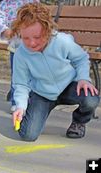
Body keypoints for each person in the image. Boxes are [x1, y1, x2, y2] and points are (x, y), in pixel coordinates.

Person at [11, 3, 100, 141]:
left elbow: (81, 58)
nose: (32, 43)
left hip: (69, 86)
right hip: (42, 93)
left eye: (37, 37)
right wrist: (20, 106)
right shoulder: (21, 54)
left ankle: (79, 121)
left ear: (47, 30)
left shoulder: (62, 41)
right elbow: (21, 84)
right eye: (26, 38)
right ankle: (29, 112)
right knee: (28, 135)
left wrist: (83, 78)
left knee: (91, 98)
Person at [0, 0, 39, 113]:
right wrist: (4, 30)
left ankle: (32, 101)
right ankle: (17, 103)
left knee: (32, 73)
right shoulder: (6, 3)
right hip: (16, 44)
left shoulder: (32, 1)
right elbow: (0, 17)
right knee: (17, 73)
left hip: (32, 43)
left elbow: (39, 15)